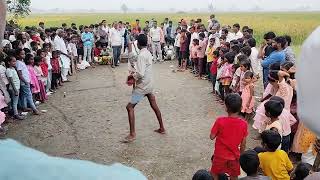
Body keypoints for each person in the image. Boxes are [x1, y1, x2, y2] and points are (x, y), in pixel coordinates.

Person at [124, 34, 165, 142]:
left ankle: (132, 134)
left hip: (142, 86)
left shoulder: (142, 55)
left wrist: (132, 77)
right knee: (154, 105)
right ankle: (162, 128)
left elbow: (140, 73)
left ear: (137, 43)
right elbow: (136, 60)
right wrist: (130, 50)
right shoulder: (147, 53)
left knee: (130, 107)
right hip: (149, 85)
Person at [210, 93, 248, 180]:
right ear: (241, 108)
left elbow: (212, 137)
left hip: (220, 155)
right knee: (234, 176)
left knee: (214, 173)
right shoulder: (244, 124)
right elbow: (243, 143)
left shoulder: (220, 121)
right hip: (234, 156)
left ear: (226, 108)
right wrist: (241, 155)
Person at [15, 48, 40, 114]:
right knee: (29, 95)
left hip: (26, 81)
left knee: (23, 95)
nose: (24, 55)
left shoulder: (21, 62)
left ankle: (24, 107)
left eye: (24, 54)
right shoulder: (18, 63)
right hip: (24, 82)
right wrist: (25, 81)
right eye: (22, 54)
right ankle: (34, 109)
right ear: (17, 55)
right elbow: (19, 74)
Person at [5, 56, 24, 120]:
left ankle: (15, 112)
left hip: (16, 87)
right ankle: (16, 114)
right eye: (13, 61)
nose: (15, 62)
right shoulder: (8, 70)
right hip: (14, 88)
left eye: (15, 61)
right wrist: (15, 90)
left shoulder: (13, 69)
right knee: (15, 102)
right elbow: (11, 81)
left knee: (15, 101)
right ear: (8, 62)